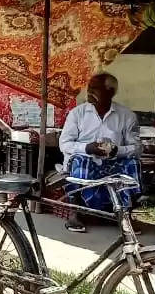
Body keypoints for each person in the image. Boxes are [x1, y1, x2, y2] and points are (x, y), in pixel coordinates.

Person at [59, 72, 141, 232]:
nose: (89, 92)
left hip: (113, 163)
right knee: (80, 162)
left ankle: (124, 215)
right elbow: (64, 144)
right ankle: (75, 214)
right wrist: (86, 148)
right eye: (89, 88)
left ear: (110, 92)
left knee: (133, 164)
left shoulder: (126, 116)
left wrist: (117, 150)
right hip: (86, 160)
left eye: (95, 89)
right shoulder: (78, 113)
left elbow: (137, 148)